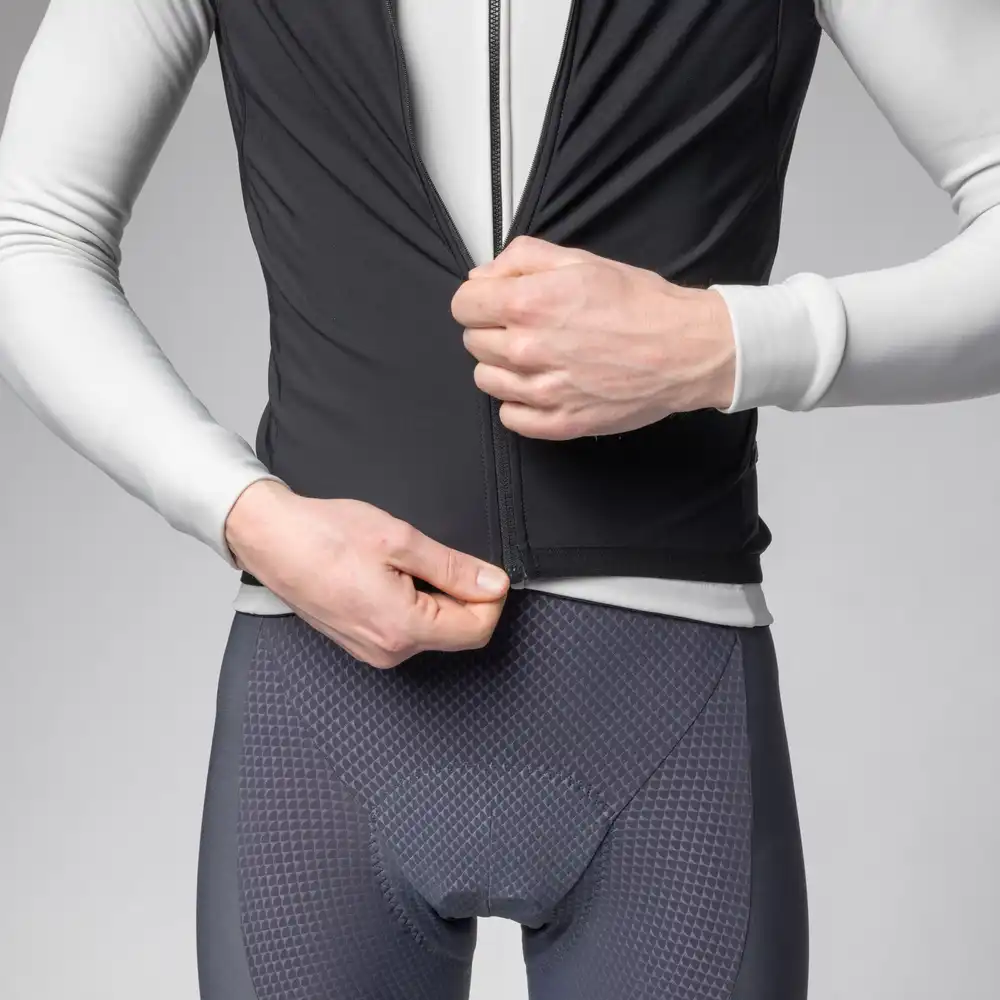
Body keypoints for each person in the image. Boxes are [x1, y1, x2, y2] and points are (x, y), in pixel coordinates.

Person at [1, 0, 998, 997]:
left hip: (665, 730)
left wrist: (722, 343)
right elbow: (30, 234)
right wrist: (247, 514)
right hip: (323, 715)